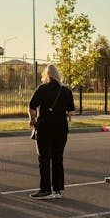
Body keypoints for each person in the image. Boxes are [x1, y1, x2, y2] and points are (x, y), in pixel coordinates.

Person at [28, 64, 76, 199]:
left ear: (46, 75)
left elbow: (32, 107)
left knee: (44, 159)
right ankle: (57, 190)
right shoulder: (66, 90)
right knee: (57, 158)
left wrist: (32, 119)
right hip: (61, 128)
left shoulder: (42, 88)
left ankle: (45, 190)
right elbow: (71, 111)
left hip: (45, 127)